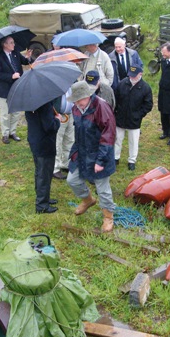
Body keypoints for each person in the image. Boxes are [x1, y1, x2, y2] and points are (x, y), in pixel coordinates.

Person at [66, 81, 117, 232]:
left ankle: (108, 217)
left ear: (88, 96)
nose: (77, 103)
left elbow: (108, 136)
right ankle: (88, 200)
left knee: (102, 188)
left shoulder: (101, 107)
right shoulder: (76, 108)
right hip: (82, 152)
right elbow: (78, 132)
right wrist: (75, 152)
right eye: (75, 100)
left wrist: (100, 160)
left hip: (99, 153)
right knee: (72, 180)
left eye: (79, 100)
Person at [113, 62, 153, 171]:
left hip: (134, 120)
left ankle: (132, 160)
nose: (132, 78)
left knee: (134, 141)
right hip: (120, 117)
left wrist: (139, 115)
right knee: (117, 139)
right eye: (130, 75)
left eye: (134, 76)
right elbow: (115, 99)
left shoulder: (145, 88)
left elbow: (148, 105)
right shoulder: (122, 84)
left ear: (140, 74)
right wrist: (116, 112)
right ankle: (115, 157)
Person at [0, 36, 32, 144]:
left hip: (16, 87)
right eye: (11, 43)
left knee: (16, 112)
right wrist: (11, 76)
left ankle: (12, 132)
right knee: (6, 113)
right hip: (4, 89)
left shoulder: (15, 53)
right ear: (5, 45)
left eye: (13, 42)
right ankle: (5, 134)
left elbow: (25, 62)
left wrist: (28, 57)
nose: (13, 44)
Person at [25, 101, 62, 214]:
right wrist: (58, 120)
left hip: (35, 140)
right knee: (44, 174)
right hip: (44, 144)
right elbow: (50, 127)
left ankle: (43, 197)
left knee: (40, 172)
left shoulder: (30, 103)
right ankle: (42, 205)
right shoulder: (45, 104)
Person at [52, 87, 74, 180]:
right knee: (57, 142)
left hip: (71, 114)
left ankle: (66, 164)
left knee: (70, 140)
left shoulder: (73, 83)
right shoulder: (55, 85)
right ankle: (55, 168)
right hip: (59, 116)